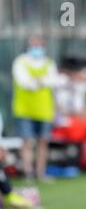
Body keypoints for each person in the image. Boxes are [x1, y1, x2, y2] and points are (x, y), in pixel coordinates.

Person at [12, 35, 59, 182]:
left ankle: (40, 172)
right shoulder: (20, 62)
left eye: (39, 44)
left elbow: (53, 81)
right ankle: (28, 172)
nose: (37, 47)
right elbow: (25, 83)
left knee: (43, 142)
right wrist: (42, 81)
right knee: (27, 142)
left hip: (44, 110)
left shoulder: (49, 63)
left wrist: (37, 81)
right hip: (24, 109)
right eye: (34, 44)